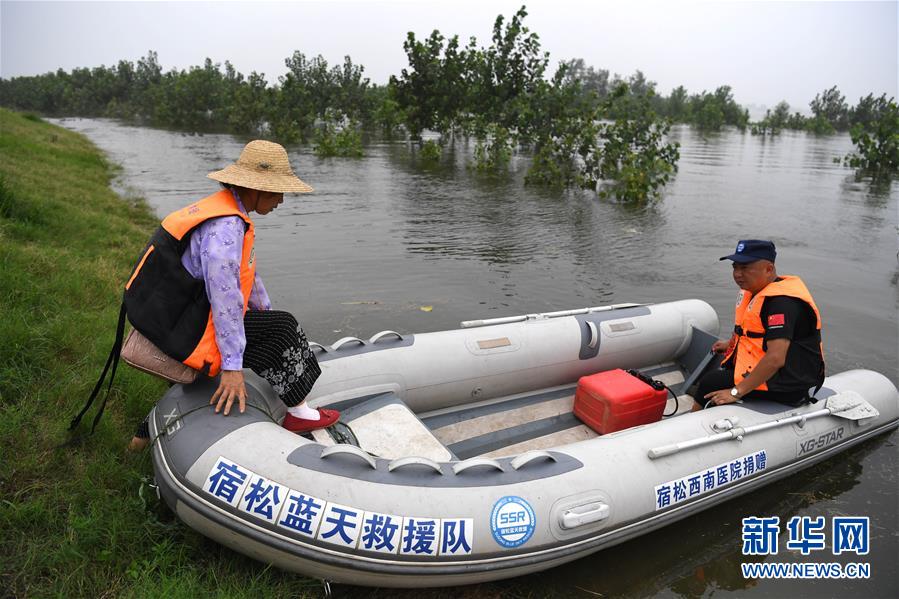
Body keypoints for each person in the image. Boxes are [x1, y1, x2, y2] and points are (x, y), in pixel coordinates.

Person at [126, 140, 339, 450]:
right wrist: (232, 367)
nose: (281, 200)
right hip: (187, 330)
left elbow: (246, 278)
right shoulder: (226, 227)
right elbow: (225, 300)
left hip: (182, 318)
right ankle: (299, 413)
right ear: (257, 189)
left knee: (270, 323)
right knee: (283, 330)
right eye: (278, 192)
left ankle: (138, 441)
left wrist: (263, 313)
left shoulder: (226, 212)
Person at [694, 239, 825, 410]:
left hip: (787, 381)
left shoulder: (781, 303)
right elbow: (753, 332)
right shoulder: (757, 292)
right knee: (725, 368)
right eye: (735, 267)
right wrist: (730, 344)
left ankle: (686, 427)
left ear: (769, 269)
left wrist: (735, 392)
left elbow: (775, 358)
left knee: (709, 382)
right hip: (774, 372)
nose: (737, 274)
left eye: (745, 268)